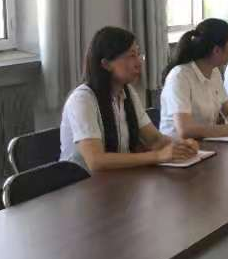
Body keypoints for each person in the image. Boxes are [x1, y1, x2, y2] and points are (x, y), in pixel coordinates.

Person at [60, 27, 198, 171]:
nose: (139, 63)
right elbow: (96, 161)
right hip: (83, 181)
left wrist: (182, 144)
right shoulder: (82, 99)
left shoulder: (127, 92)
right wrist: (158, 156)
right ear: (106, 64)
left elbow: (154, 140)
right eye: (131, 56)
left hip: (118, 177)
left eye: (138, 54)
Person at [159, 19, 228, 140]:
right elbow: (185, 130)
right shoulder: (179, 76)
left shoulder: (214, 72)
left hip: (205, 144)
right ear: (216, 50)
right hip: (178, 148)